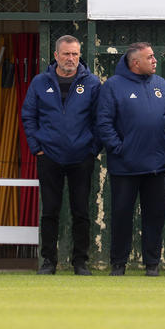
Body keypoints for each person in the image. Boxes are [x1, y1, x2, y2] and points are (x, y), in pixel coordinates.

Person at [97, 42, 165, 277]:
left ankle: (152, 263)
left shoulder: (160, 83)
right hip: (125, 165)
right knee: (121, 215)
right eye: (149, 57)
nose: (155, 60)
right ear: (135, 62)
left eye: (153, 56)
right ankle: (118, 264)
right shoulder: (113, 86)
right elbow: (104, 123)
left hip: (155, 164)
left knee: (155, 215)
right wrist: (120, 149)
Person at [22, 35, 101, 276]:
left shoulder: (92, 83)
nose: (71, 58)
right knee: (50, 211)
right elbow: (28, 116)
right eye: (66, 54)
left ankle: (80, 262)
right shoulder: (39, 82)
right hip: (49, 156)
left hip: (81, 157)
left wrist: (92, 149)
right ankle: (48, 262)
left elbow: (101, 118)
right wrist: (37, 148)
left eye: (75, 54)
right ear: (56, 55)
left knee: (81, 212)